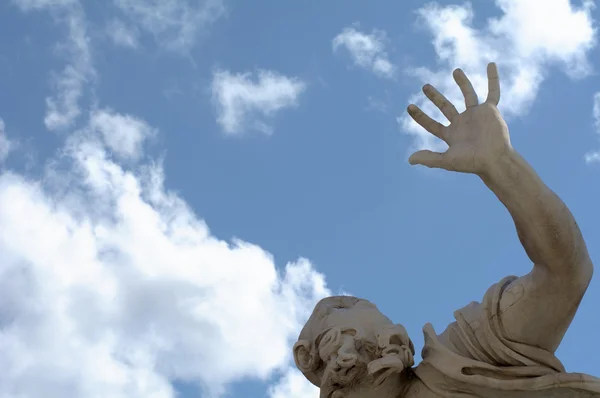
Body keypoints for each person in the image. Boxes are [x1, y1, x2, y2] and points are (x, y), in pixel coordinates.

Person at [293, 63, 600, 398]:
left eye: (379, 330)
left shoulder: (465, 356)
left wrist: (501, 165)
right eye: (341, 334)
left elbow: (564, 275)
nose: (383, 338)